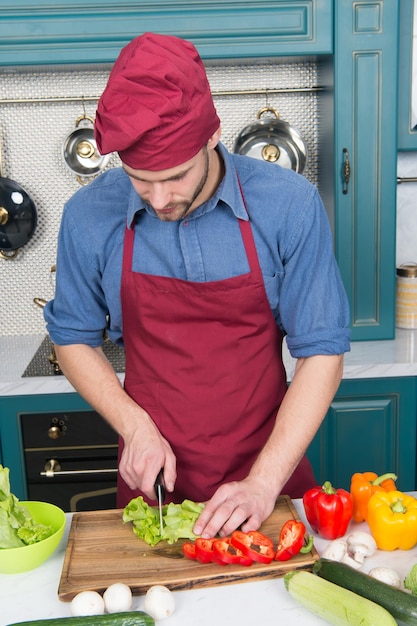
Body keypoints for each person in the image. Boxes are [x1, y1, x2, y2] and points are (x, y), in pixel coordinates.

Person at [44, 32, 350, 539]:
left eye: (177, 176)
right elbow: (72, 335)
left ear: (212, 136)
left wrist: (263, 482)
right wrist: (134, 427)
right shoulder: (88, 215)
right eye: (140, 178)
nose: (159, 198)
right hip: (153, 486)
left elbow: (323, 352)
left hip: (267, 478)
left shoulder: (288, 205)